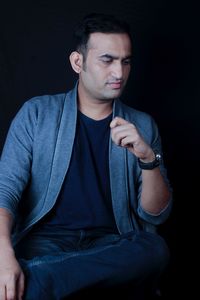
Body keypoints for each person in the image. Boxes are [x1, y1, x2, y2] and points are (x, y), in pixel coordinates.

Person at [0, 12, 172, 300]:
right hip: (47, 242)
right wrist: (4, 256)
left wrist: (147, 158)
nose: (119, 73)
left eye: (125, 61)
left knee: (155, 249)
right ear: (77, 62)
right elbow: (5, 191)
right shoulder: (37, 114)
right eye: (107, 60)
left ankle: (37, 281)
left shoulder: (142, 125)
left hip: (111, 245)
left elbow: (156, 214)